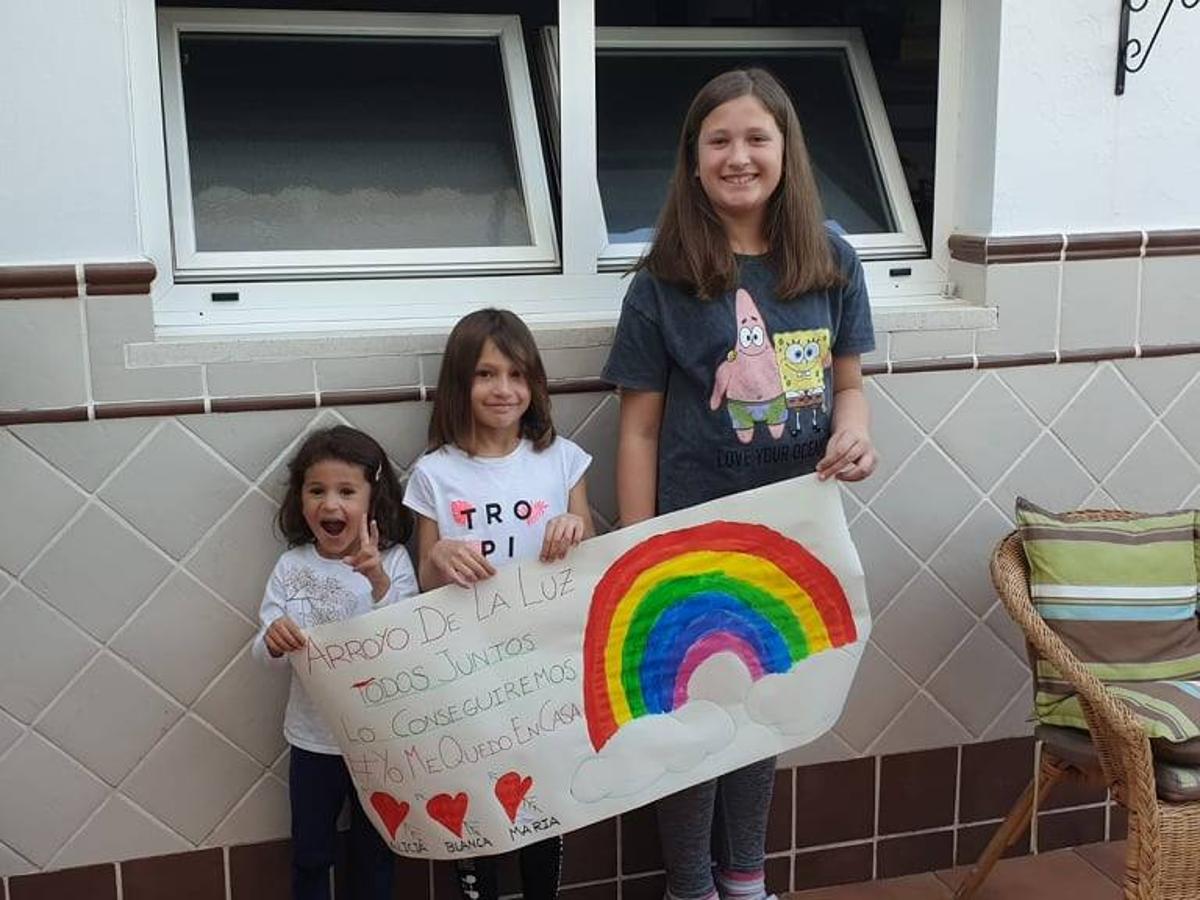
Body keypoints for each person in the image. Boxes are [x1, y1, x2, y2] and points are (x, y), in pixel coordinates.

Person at [602, 68, 878, 900]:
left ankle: (746, 879)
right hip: (690, 538)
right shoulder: (661, 280)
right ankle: (690, 886)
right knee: (692, 716)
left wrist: (855, 432)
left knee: (768, 708)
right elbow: (639, 429)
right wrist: (640, 544)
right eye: (718, 140)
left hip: (795, 538)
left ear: (787, 151)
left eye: (757, 137)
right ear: (693, 160)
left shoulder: (831, 261)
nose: (738, 156)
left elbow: (850, 384)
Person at [403, 307, 594, 900]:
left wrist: (573, 527)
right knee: (476, 795)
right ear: (459, 384)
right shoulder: (434, 474)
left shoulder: (562, 459)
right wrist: (440, 557)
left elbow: (587, 553)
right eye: (486, 374)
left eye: (516, 374)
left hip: (543, 663)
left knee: (543, 796)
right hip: (468, 667)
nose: (503, 389)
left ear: (534, 383)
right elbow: (423, 582)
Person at [253, 425, 418, 900]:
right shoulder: (291, 566)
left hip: (380, 741)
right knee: (310, 852)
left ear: (373, 498)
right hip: (312, 741)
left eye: (347, 492)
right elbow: (264, 655)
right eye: (317, 490)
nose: (330, 504)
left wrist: (379, 581)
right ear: (300, 499)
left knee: (375, 851)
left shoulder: (394, 563)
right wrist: (273, 642)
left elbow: (408, 642)